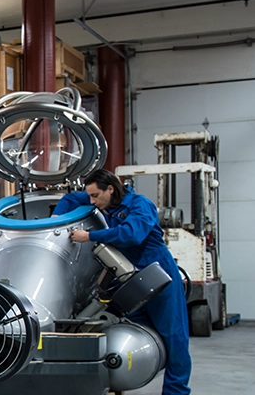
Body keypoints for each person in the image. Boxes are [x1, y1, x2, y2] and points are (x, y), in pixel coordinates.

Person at [55, 169, 192, 395]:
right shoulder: (100, 198)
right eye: (89, 196)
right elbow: (70, 199)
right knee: (124, 328)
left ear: (110, 189)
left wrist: (89, 236)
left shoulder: (140, 205)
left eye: (95, 196)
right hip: (126, 278)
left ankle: (176, 392)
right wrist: (56, 221)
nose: (92, 202)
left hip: (156, 274)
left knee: (173, 336)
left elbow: (131, 235)